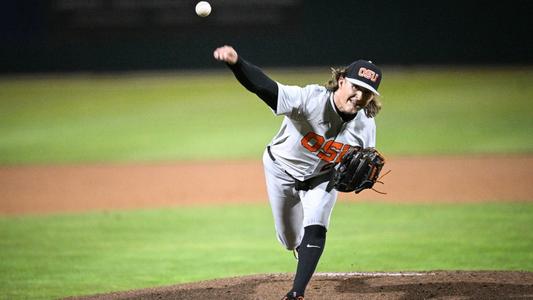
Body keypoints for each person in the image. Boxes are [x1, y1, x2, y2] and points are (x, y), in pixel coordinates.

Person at [213, 45, 382, 300]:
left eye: (367, 92)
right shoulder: (309, 100)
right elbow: (265, 87)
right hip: (280, 170)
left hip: (322, 178)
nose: (359, 96)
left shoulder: (366, 126)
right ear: (341, 81)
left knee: (317, 226)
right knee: (290, 240)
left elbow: (361, 163)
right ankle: (296, 244)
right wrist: (236, 63)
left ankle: (296, 293)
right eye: (356, 87)